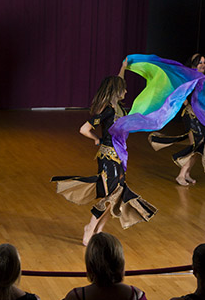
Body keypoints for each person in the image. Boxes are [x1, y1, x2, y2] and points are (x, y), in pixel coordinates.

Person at [52, 60, 156, 245]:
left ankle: (99, 230)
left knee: (117, 195)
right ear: (117, 91)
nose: (126, 92)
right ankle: (90, 226)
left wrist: (123, 68)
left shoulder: (120, 109)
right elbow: (84, 129)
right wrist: (96, 139)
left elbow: (118, 82)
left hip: (119, 156)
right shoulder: (108, 110)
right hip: (108, 157)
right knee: (111, 195)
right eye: (123, 89)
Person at [149, 41, 205, 186]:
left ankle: (187, 173)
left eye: (203, 62)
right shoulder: (188, 76)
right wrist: (183, 101)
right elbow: (175, 88)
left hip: (203, 118)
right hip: (191, 115)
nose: (202, 64)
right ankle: (181, 175)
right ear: (192, 65)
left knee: (199, 147)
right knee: (196, 145)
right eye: (199, 62)